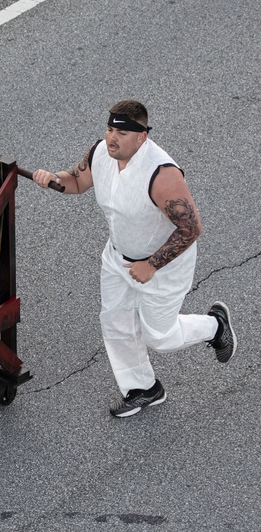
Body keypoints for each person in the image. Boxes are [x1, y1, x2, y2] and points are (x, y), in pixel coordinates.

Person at [30, 100, 237, 418]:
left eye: (122, 133)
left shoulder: (161, 174)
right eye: (110, 129)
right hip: (117, 257)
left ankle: (215, 325)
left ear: (142, 137)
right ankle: (143, 389)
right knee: (115, 323)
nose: (113, 138)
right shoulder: (100, 152)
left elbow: (191, 227)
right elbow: (76, 180)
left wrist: (151, 264)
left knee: (160, 336)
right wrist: (51, 179)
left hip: (163, 266)